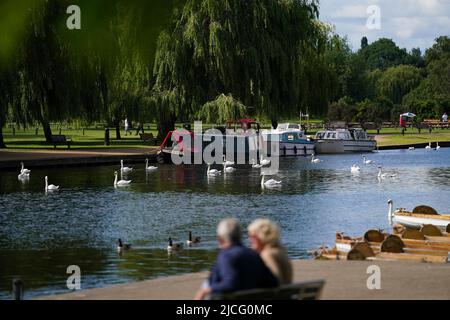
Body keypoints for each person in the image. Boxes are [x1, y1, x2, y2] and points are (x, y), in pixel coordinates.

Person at [194, 218, 278, 300]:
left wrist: (205, 291)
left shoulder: (226, 256)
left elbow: (230, 283)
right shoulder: (254, 254)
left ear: (220, 239)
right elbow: (273, 282)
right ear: (239, 236)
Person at [248, 219, 293, 285]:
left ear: (261, 236)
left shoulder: (268, 254)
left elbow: (276, 280)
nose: (250, 239)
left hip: (276, 295)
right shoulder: (280, 250)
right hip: (285, 294)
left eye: (253, 236)